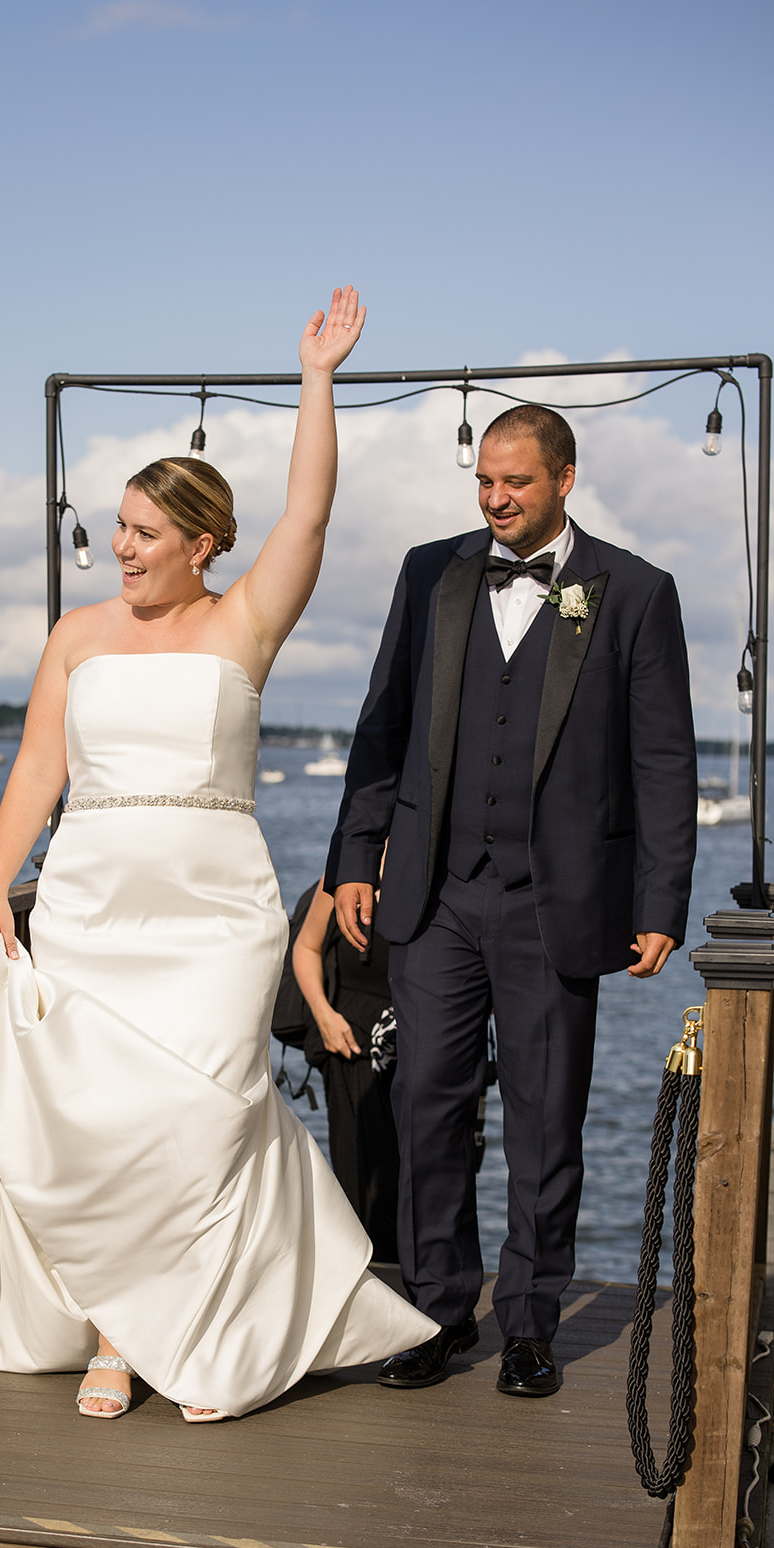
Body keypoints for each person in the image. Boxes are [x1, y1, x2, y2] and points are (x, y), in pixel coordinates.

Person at [0, 287, 440, 1424]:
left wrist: (317, 379)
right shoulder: (75, 638)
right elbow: (36, 771)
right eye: (120, 529)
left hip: (212, 921)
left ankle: (203, 1331)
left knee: (202, 1123)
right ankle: (113, 1335)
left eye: (145, 534)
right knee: (109, 1131)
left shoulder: (245, 622)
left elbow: (309, 514)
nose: (122, 550)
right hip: (92, 912)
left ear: (201, 545)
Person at [326, 404, 696, 1399]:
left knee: (544, 1126)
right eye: (483, 480)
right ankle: (438, 1312)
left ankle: (529, 1327)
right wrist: (353, 857)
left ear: (563, 479)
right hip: (435, 898)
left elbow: (661, 759)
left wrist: (660, 897)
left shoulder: (632, 592)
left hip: (554, 905)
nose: (494, 498)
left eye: (515, 482)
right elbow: (380, 727)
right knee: (425, 1110)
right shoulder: (427, 571)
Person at [291, 874, 399, 1263]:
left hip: (418, 1043)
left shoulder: (443, 868)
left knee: (419, 1182)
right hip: (349, 1044)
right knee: (360, 1187)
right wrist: (323, 1015)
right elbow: (306, 946)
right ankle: (371, 1290)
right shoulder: (345, 875)